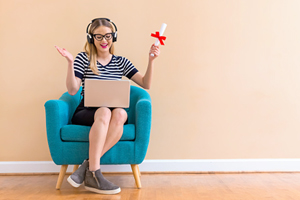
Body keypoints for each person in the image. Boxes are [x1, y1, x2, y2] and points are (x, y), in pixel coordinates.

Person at [55, 18, 160, 195]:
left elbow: (145, 84)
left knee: (120, 114)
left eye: (108, 36)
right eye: (99, 36)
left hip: (111, 113)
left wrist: (151, 60)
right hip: (86, 111)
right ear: (91, 39)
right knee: (104, 111)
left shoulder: (121, 62)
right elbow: (73, 90)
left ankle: (86, 168)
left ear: (114, 37)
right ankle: (95, 173)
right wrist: (70, 62)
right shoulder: (84, 58)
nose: (104, 40)